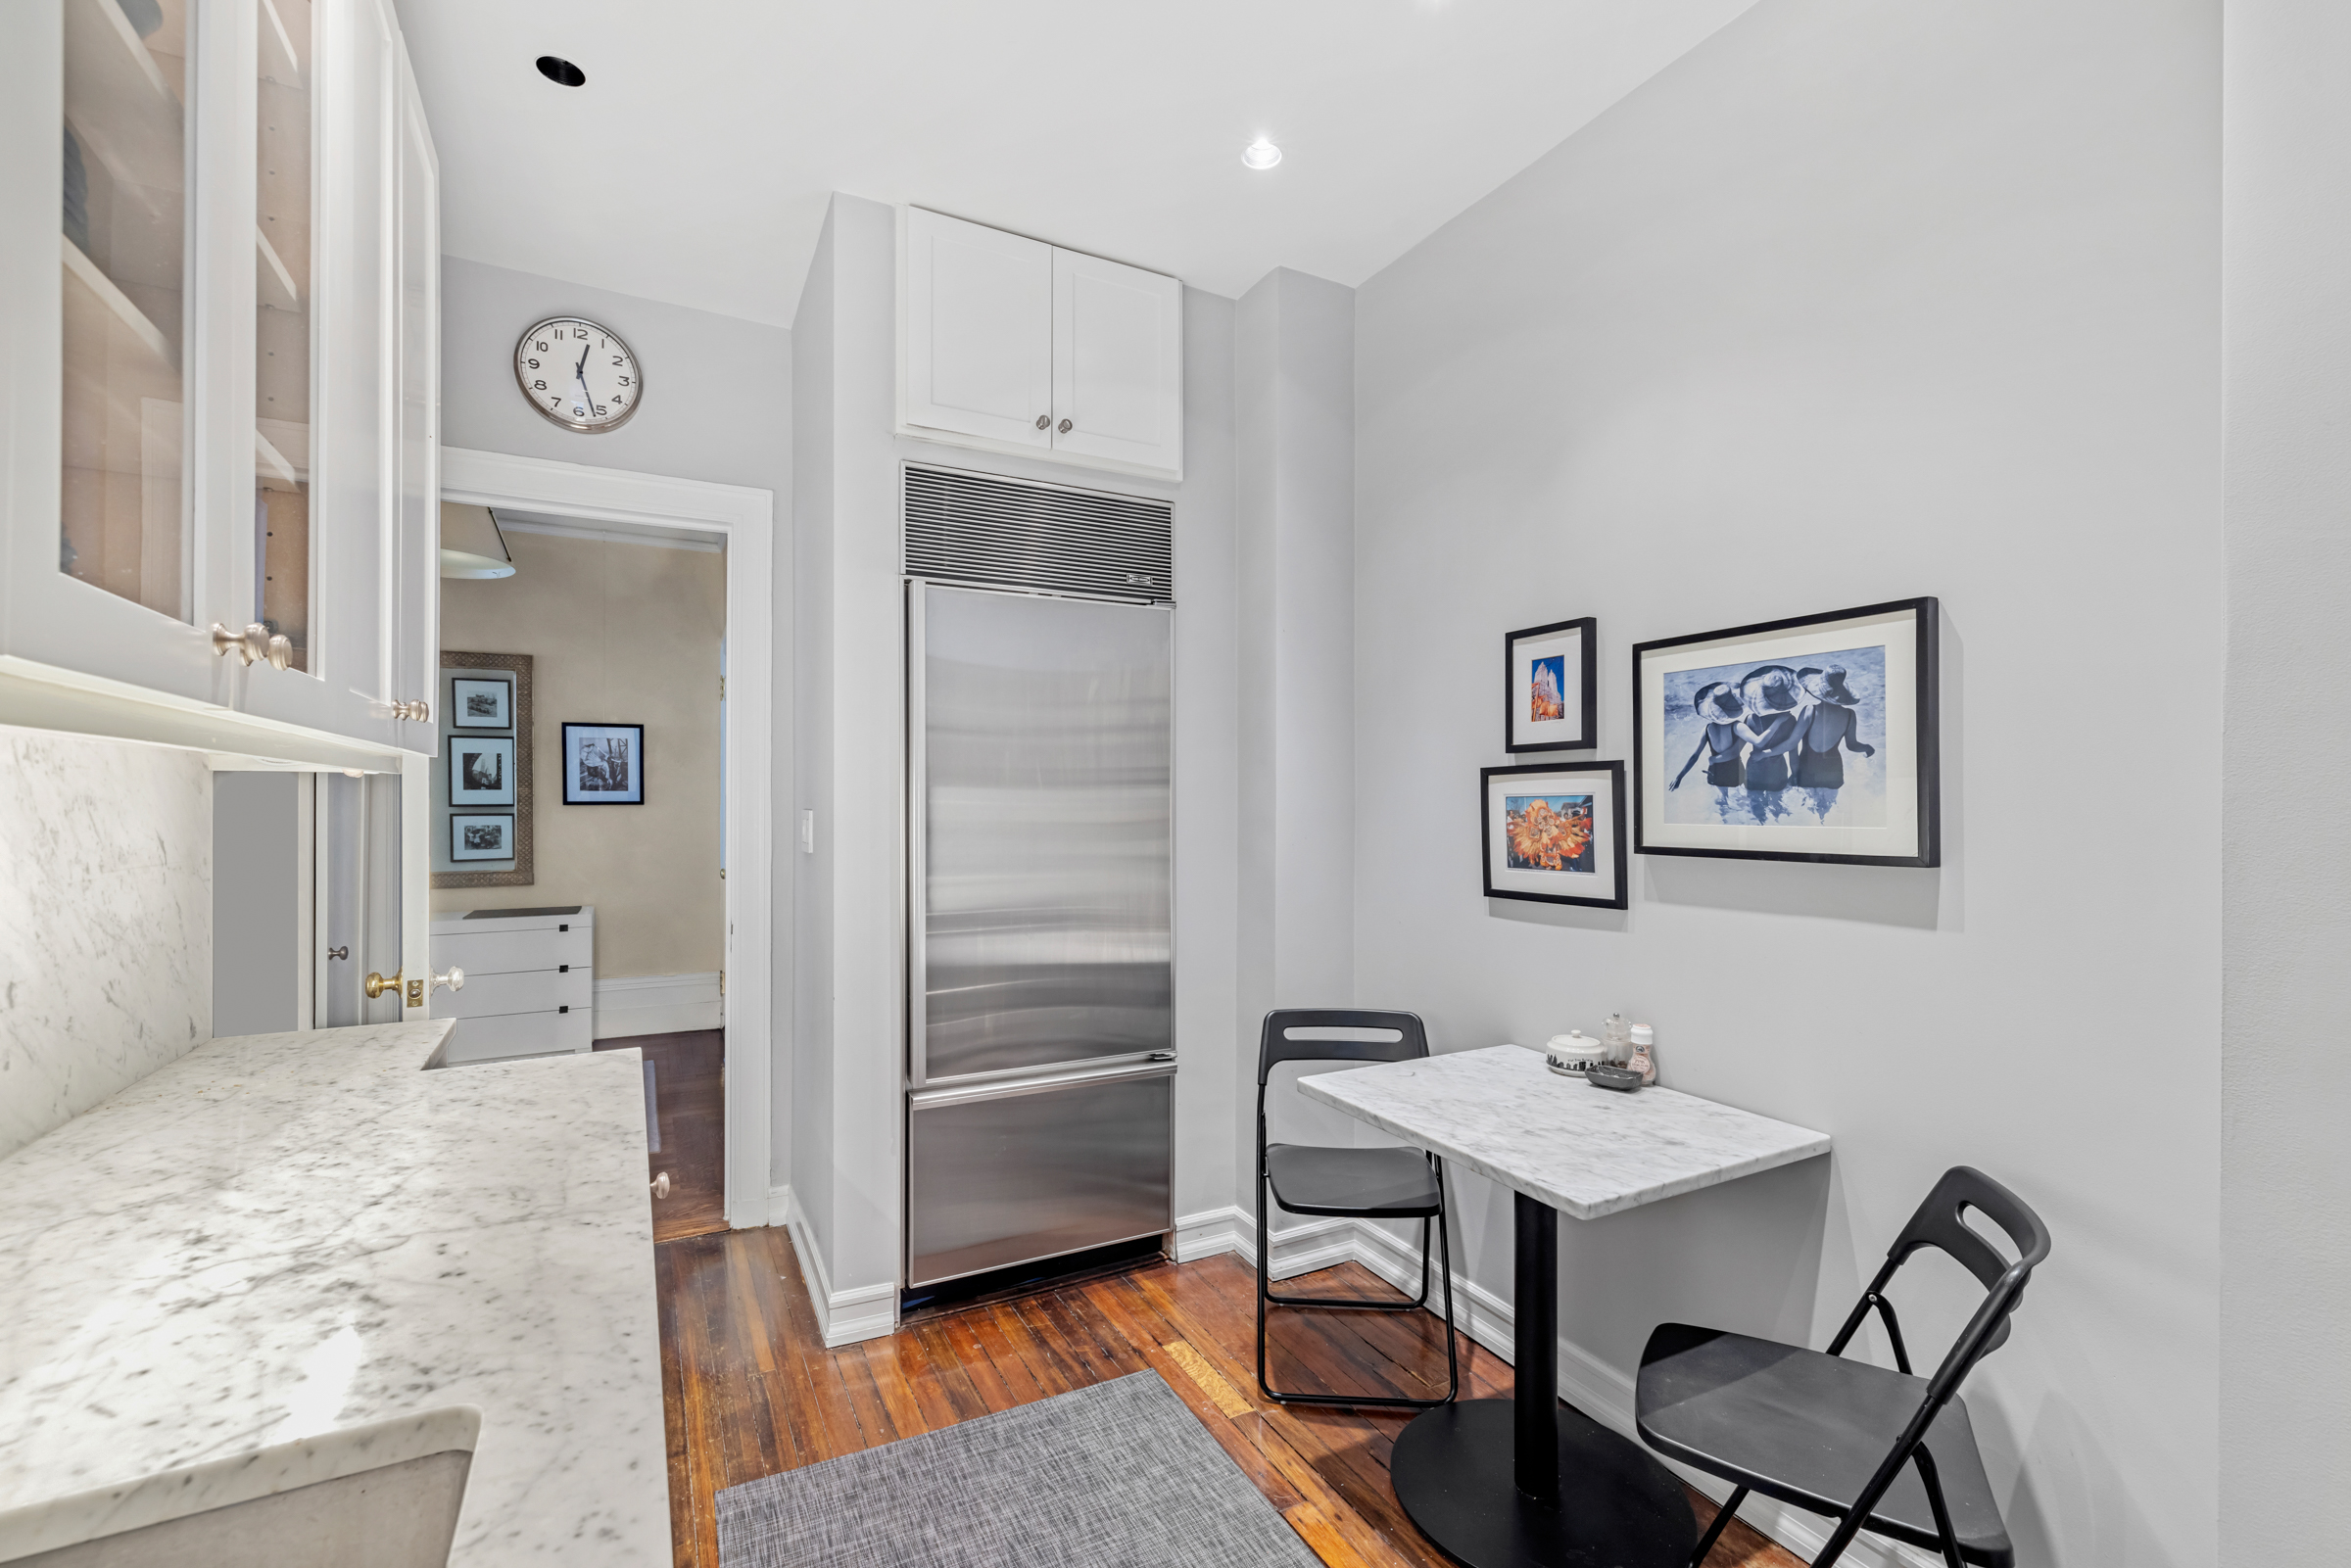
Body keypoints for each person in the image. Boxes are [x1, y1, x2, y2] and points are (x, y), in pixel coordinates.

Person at [1793, 664, 1874, 820]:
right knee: (1828, 812)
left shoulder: (1810, 710)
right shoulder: (1849, 715)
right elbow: (1852, 745)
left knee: (1809, 813)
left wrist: (1769, 753)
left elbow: (1792, 742)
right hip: (1833, 771)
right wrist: (1867, 748)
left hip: (1808, 768)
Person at [1670, 683, 1749, 822]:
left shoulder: (1707, 729)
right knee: (1740, 800)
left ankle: (1723, 822)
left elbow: (1694, 756)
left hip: (1716, 773)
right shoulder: (1736, 726)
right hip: (1734, 771)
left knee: (1723, 799)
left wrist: (1679, 777)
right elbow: (1734, 753)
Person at [1736, 666, 1804, 822]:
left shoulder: (1751, 719)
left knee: (1756, 808)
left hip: (1754, 770)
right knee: (1777, 807)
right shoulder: (1789, 720)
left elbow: (1737, 751)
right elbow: (1793, 753)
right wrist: (1795, 775)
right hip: (1777, 771)